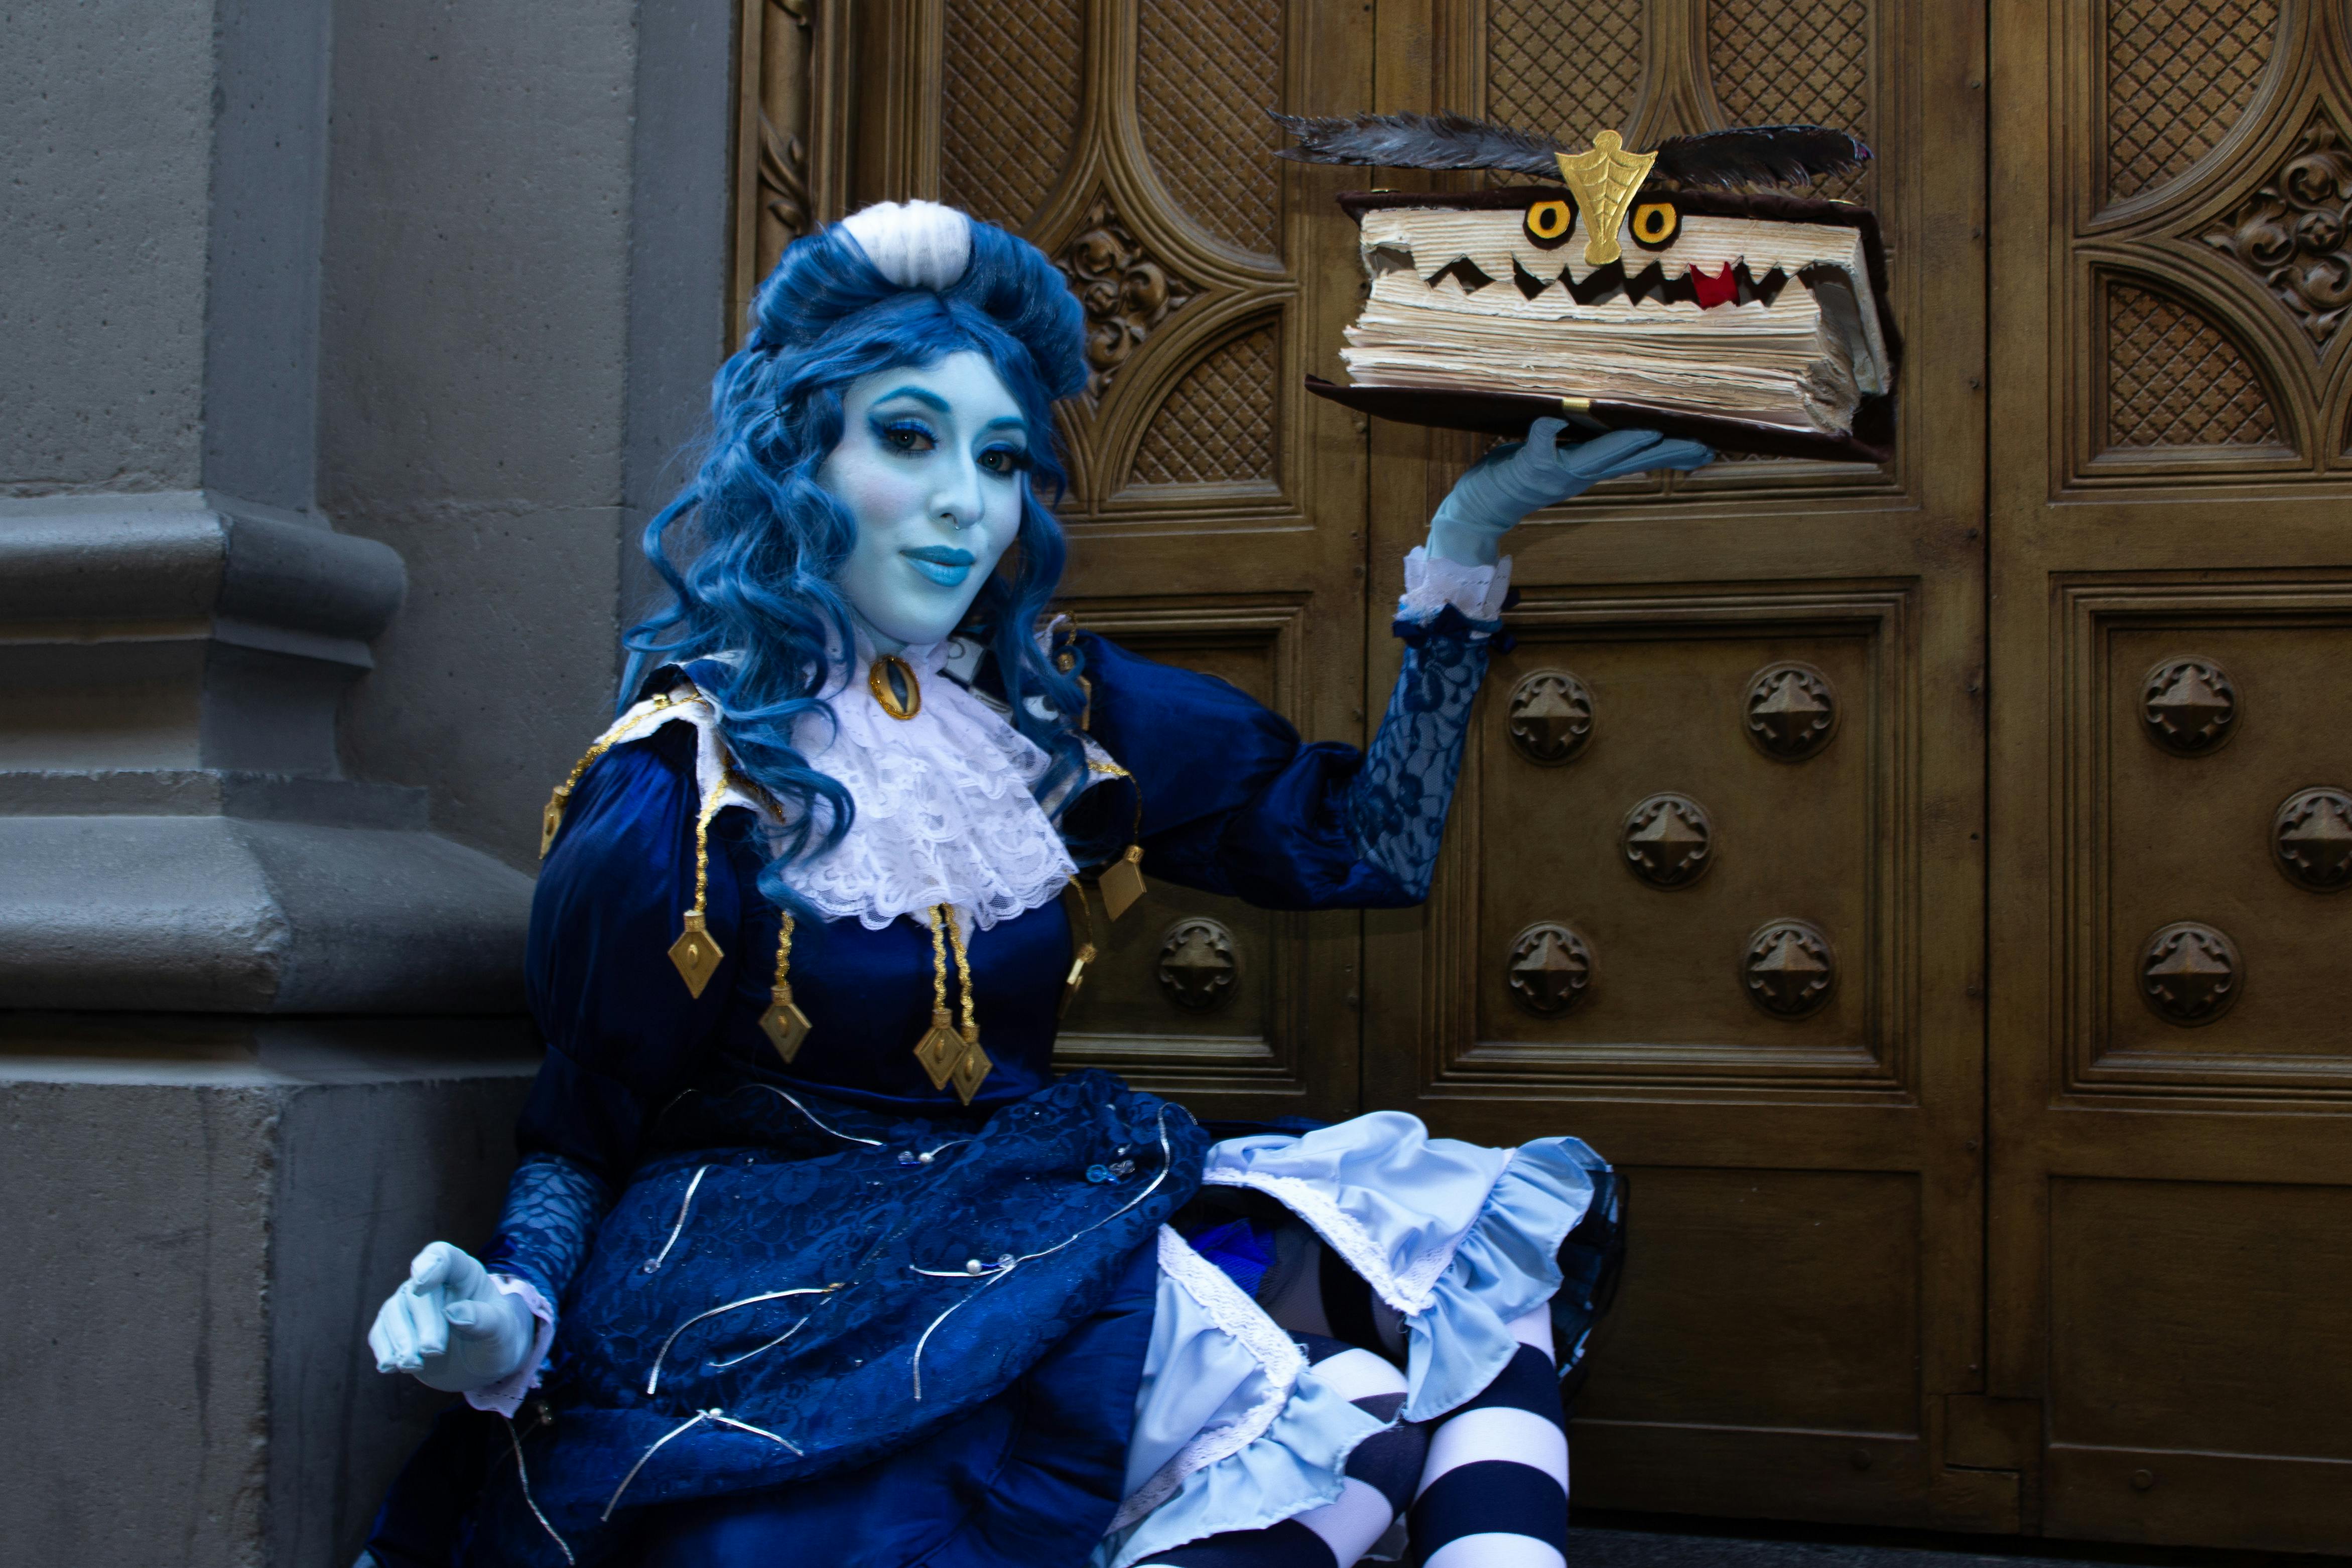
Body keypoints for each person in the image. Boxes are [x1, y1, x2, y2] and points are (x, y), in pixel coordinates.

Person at [359, 200, 1706, 1568]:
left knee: (1440, 1277)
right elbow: (581, 1130)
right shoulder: (677, 782)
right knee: (1333, 1421)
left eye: (998, 457)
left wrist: (1467, 540)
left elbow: (1370, 843)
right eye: (906, 439)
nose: (965, 501)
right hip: (785, 1289)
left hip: (1036, 1214)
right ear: (796, 461)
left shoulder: (1045, 713)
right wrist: (507, 1313)